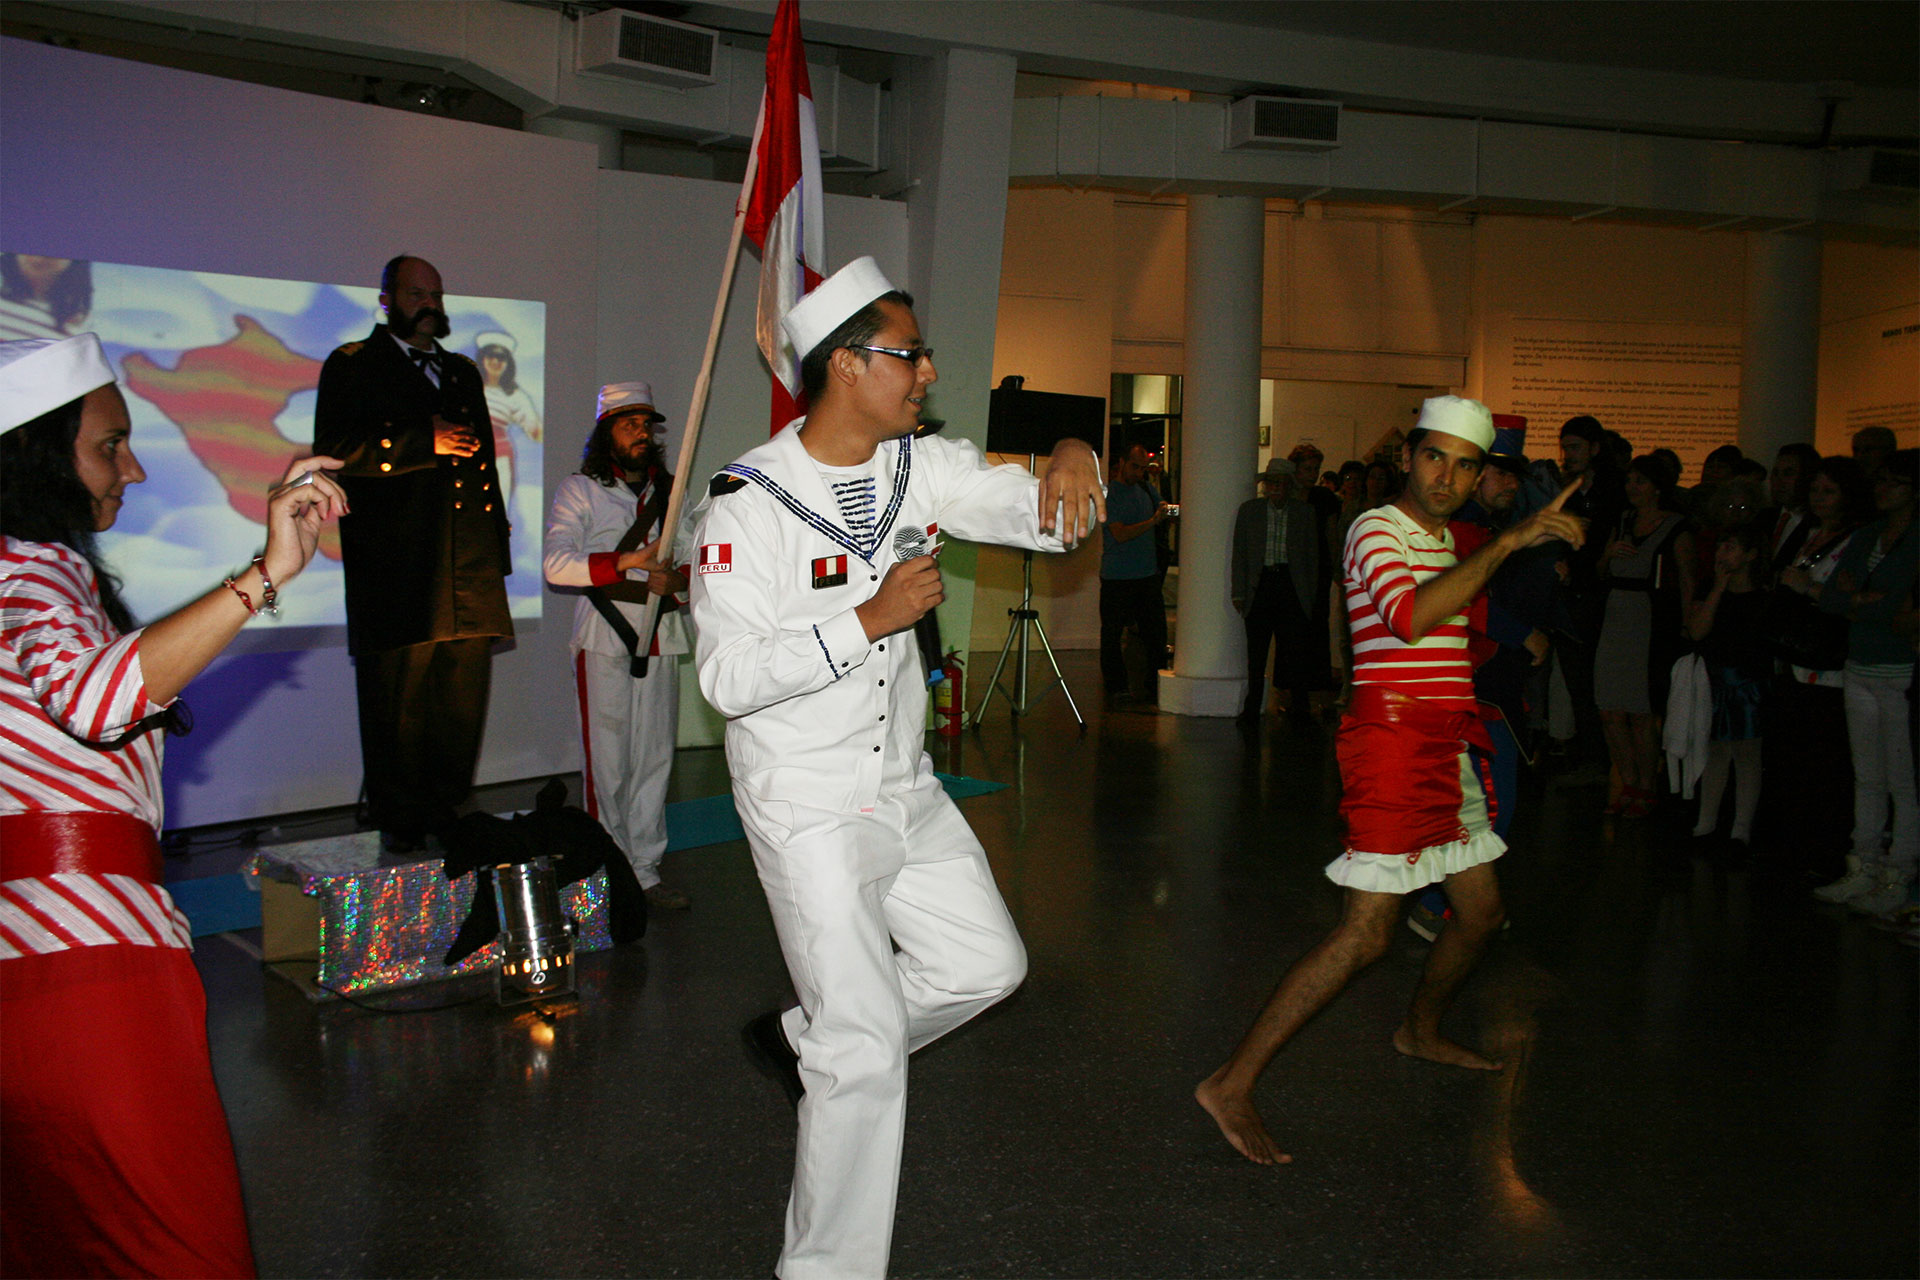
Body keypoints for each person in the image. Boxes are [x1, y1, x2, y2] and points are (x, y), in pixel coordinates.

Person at [689, 256, 1104, 1279]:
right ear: (845, 365)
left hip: (904, 783)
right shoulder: (748, 504)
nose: (927, 372)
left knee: (985, 966)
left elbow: (1037, 513)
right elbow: (729, 676)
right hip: (809, 803)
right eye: (909, 353)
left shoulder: (915, 466)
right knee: (868, 1052)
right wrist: (864, 621)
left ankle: (812, 1039)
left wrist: (1068, 448)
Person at [0, 333, 346, 1277]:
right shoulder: (29, 568)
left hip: (27, 968)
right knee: (178, 1249)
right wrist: (266, 572)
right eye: (110, 445)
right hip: (92, 970)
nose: (136, 468)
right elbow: (95, 698)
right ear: (36, 451)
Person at [1195, 395, 1585, 1166]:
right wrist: (1509, 545)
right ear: (1408, 456)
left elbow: (1451, 629)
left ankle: (1420, 1030)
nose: (1446, 475)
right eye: (1434, 456)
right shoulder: (1376, 527)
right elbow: (1407, 619)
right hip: (1392, 746)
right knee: (1367, 933)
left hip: (1446, 745)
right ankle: (1230, 1083)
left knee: (1479, 914)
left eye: (1465, 464)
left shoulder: (1442, 539)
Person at [313, 255, 513, 852]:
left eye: (436, 293)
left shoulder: (460, 371)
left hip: (469, 562)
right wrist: (422, 440)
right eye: (417, 293)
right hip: (397, 565)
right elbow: (335, 451)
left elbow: (483, 468)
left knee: (461, 696)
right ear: (388, 299)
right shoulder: (353, 364)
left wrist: (494, 552)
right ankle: (398, 814)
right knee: (397, 701)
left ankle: (450, 803)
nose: (429, 303)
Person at [543, 380, 695, 910]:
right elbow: (556, 565)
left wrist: (679, 583)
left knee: (653, 762)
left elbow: (703, 563)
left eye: (646, 424)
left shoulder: (673, 495)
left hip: (662, 638)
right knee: (608, 766)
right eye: (628, 423)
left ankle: (645, 871)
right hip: (604, 638)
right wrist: (629, 562)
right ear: (606, 431)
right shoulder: (579, 491)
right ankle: (601, 871)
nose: (640, 433)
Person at [1816, 449, 1918, 917]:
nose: (1882, 490)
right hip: (1859, 664)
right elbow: (1833, 597)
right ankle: (1865, 866)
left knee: (1902, 779)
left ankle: (1899, 872)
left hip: (1899, 670)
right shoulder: (1867, 535)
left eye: (1892, 483)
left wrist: (1861, 601)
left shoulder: (1915, 540)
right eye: (1879, 481)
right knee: (1868, 776)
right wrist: (1864, 600)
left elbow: (1901, 613)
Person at [1769, 457, 1871, 885]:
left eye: (1828, 491)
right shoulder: (1809, 533)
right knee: (1794, 756)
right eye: (1815, 491)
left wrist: (1807, 588)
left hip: (1828, 661)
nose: (1818, 498)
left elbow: (1848, 596)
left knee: (1825, 759)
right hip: (1794, 655)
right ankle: (1794, 846)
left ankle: (1826, 851)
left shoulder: (1858, 539)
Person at [1593, 454, 1695, 817]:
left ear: (1657, 486)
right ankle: (1629, 779)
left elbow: (1686, 580)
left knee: (1640, 710)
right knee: (1609, 709)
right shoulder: (1624, 521)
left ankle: (1645, 786)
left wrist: (1687, 626)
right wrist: (1607, 555)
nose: (1631, 488)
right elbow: (1600, 572)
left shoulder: (1676, 527)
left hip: (1647, 618)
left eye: (1639, 481)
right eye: (1629, 480)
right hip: (1615, 614)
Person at [1685, 522, 1771, 847]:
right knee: (1715, 751)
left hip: (1748, 684)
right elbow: (1696, 631)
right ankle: (1706, 823)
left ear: (1750, 555)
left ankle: (1741, 828)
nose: (1722, 553)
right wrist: (1718, 590)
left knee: (1747, 753)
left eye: (1731, 547)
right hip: (1715, 680)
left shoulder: (1762, 597)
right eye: (1721, 546)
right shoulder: (1710, 588)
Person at [1232, 457, 1320, 722]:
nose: (1276, 488)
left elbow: (1311, 557)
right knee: (1256, 653)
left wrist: (1309, 594)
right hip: (1261, 586)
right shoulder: (1250, 511)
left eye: (1281, 483)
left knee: (1294, 650)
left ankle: (1300, 706)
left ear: (1289, 485)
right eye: (1272, 482)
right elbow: (1240, 554)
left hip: (1290, 586)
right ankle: (1252, 707)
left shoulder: (1304, 513)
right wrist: (1238, 592)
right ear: (1266, 485)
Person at [1099, 440, 1171, 704]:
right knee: (1112, 635)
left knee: (1156, 635)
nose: (1138, 472)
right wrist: (1152, 521)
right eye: (1134, 466)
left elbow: (1164, 506)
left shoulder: (1145, 488)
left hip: (1146, 575)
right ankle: (1117, 687)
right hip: (1117, 577)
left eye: (1142, 467)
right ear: (1121, 463)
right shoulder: (1110, 494)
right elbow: (1119, 533)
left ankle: (1155, 685)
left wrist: (1164, 508)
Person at [475, 329, 543, 506]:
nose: (496, 361)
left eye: (502, 357)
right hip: (467, 455)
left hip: (500, 458)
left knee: (497, 506)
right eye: (491, 355)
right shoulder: (469, 388)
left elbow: (535, 430)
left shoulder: (515, 395)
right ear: (482, 358)